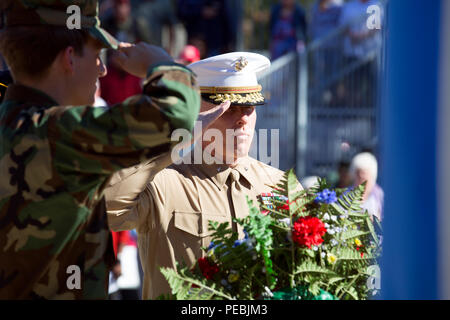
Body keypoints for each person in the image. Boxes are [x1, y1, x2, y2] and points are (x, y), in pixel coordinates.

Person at [0, 0, 201, 299]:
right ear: (69, 58)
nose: (103, 70)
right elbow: (174, 115)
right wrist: (161, 64)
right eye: (96, 55)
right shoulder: (58, 133)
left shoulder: (12, 122)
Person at [104, 52, 302, 299]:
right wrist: (174, 138)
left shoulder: (281, 185)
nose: (242, 119)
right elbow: (105, 207)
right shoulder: (163, 181)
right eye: (228, 109)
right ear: (197, 112)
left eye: (249, 108)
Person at [349, 152, 384, 221]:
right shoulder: (346, 194)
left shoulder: (380, 194)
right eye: (357, 173)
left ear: (372, 174)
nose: (361, 176)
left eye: (364, 173)